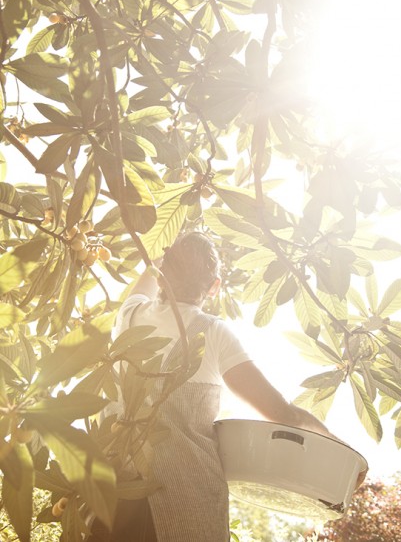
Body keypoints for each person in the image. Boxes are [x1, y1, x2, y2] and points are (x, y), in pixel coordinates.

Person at [92, 231, 362, 542]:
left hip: (115, 493)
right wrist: (344, 453)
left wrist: (161, 258)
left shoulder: (130, 317)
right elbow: (282, 413)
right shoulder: (213, 334)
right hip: (186, 501)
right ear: (214, 287)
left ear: (163, 273)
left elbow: (147, 276)